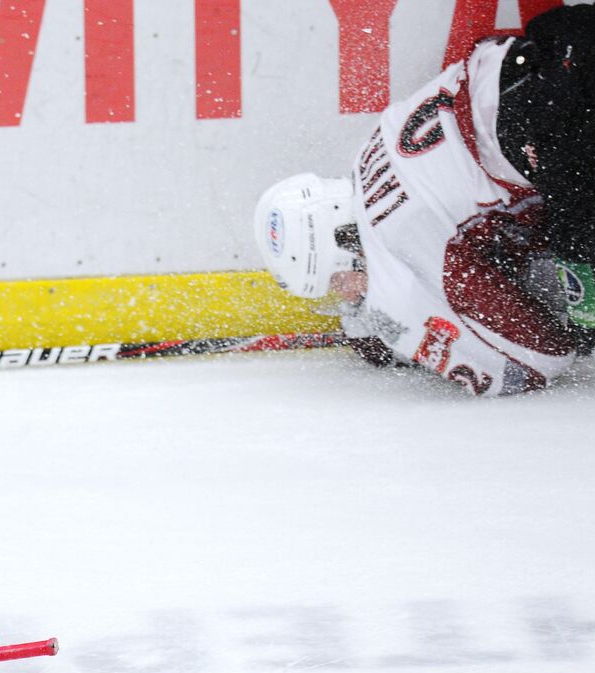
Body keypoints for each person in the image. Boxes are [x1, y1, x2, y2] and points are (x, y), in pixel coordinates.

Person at [254, 5, 595, 396]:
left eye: (335, 281)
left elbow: (538, 359)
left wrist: (397, 337)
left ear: (340, 243)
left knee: (586, 313)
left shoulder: (394, 250)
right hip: (557, 46)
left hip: (563, 129)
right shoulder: (368, 151)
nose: (345, 296)